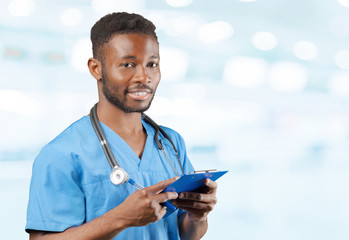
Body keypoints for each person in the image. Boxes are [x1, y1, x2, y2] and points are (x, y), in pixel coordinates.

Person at [26, 12, 218, 240]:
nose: (144, 76)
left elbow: (185, 234)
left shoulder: (171, 143)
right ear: (96, 68)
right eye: (128, 64)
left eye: (152, 64)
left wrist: (198, 216)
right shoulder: (61, 154)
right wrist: (120, 218)